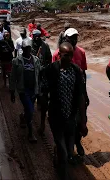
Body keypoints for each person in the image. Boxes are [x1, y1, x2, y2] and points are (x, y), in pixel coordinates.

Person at [43, 42, 87, 180]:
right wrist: (42, 116)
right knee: (63, 151)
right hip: (56, 116)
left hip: (71, 117)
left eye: (71, 56)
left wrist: (83, 121)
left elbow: (80, 97)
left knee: (68, 151)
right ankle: (63, 175)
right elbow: (44, 93)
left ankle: (60, 156)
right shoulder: (50, 70)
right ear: (59, 55)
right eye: (65, 55)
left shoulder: (77, 71)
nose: (68, 58)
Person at [52, 28, 89, 158]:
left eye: (75, 38)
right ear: (66, 38)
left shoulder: (81, 53)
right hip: (63, 93)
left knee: (80, 121)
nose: (74, 40)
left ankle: (77, 142)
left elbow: (83, 74)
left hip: (77, 93)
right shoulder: (57, 53)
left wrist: (85, 94)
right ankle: (67, 150)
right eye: (71, 37)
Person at [9, 38, 41, 143]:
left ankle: (23, 116)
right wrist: (12, 91)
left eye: (29, 48)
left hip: (33, 90)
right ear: (22, 48)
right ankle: (31, 133)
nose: (27, 50)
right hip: (23, 90)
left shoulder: (36, 60)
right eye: (25, 48)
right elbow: (13, 77)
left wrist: (39, 90)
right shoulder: (16, 61)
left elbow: (38, 75)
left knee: (28, 109)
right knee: (31, 111)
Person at [31, 29, 52, 136]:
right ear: (32, 36)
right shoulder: (29, 45)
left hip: (43, 75)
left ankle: (42, 124)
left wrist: (45, 68)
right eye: (35, 36)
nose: (37, 37)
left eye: (39, 35)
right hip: (32, 75)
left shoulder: (45, 46)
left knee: (43, 99)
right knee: (31, 97)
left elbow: (49, 58)